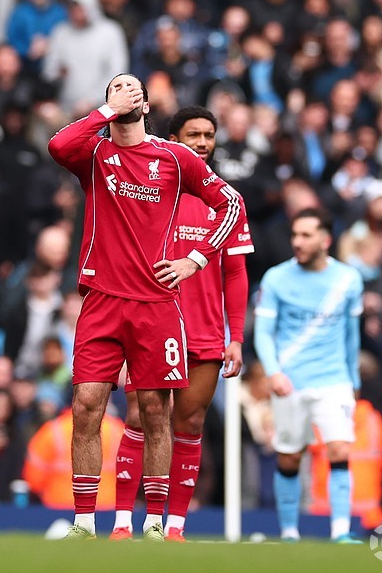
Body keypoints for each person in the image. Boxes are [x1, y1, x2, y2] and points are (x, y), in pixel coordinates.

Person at [47, 74, 245, 540]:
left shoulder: (174, 158)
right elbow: (58, 145)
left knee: (155, 412)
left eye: (135, 89)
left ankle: (154, 522)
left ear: (149, 104)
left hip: (156, 304)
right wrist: (104, 113)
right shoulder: (95, 155)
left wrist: (195, 260)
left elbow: (230, 204)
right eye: (119, 88)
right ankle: (82, 522)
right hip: (101, 301)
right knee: (86, 405)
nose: (128, 93)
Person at [110, 105, 253, 542]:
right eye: (194, 134)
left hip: (206, 331)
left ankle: (174, 528)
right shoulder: (149, 191)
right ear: (172, 139)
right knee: (139, 418)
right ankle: (121, 523)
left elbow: (235, 273)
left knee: (189, 425)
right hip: (150, 328)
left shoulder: (225, 200)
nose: (203, 143)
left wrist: (237, 337)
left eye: (209, 135)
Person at [253, 208, 364, 543]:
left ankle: (341, 531)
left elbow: (351, 335)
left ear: (325, 240)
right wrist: (273, 373)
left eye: (305, 235)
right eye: (295, 235)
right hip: (290, 381)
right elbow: (263, 332)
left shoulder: (348, 280)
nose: (297, 242)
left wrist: (353, 380)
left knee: (340, 449)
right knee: (289, 457)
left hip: (334, 380)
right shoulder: (276, 278)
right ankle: (289, 532)